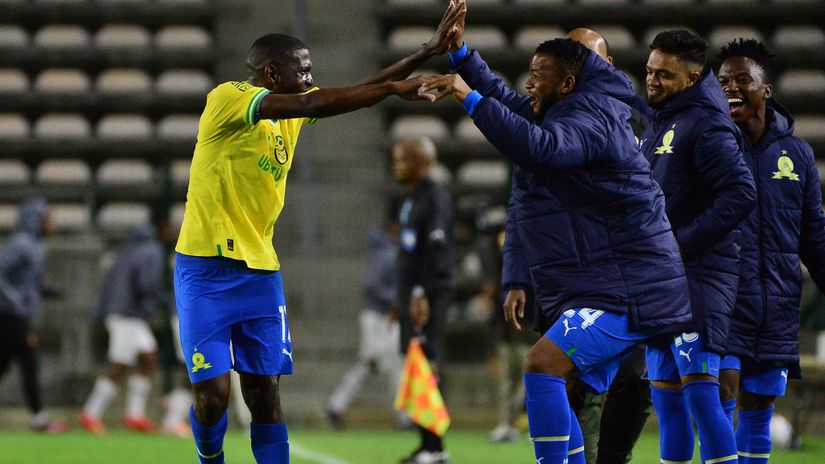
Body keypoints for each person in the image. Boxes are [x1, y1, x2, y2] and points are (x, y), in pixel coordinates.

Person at [172, 1, 465, 462]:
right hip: (205, 270)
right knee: (212, 396)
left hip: (259, 273)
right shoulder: (226, 99)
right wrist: (393, 89)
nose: (311, 77)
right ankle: (210, 455)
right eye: (302, 70)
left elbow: (353, 90)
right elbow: (318, 100)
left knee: (265, 394)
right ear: (271, 73)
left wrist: (427, 51)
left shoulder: (288, 113)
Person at [422, 26, 693, 463]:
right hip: (601, 283)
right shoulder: (566, 108)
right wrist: (462, 56)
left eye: (538, 74)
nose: (528, 83)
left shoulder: (595, 114)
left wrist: (468, 99)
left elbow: (541, 148)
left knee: (546, 367)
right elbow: (510, 114)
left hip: (632, 288)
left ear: (573, 78)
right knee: (566, 386)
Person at [639, 29, 756, 464]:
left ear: (691, 79)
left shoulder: (706, 123)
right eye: (650, 71)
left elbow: (741, 192)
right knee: (668, 405)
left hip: (700, 279)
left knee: (702, 398)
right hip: (664, 281)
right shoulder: (662, 121)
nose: (652, 81)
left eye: (664, 75)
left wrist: (679, 245)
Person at [717, 38, 825, 463]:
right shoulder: (711, 147)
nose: (731, 88)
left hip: (777, 305)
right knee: (721, 392)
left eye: (742, 80)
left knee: (759, 412)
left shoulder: (797, 155)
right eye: (723, 81)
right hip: (723, 301)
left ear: (766, 90)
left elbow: (814, 235)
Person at [563, 27, 653, 464]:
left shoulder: (642, 118)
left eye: (588, 57)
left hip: (637, 270)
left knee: (636, 381)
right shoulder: (551, 114)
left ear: (609, 65)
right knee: (579, 383)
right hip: (578, 270)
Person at [79, 214, 174, 434]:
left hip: (122, 314)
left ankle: (134, 415)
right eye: (169, 228)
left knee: (148, 358)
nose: (172, 232)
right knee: (119, 364)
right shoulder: (152, 250)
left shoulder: (124, 251)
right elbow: (147, 284)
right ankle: (90, 413)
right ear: (159, 230)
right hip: (128, 316)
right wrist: (161, 301)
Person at [392, 137, 455, 464]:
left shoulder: (435, 198)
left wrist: (421, 294)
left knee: (428, 365)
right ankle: (426, 443)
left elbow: (436, 252)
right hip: (412, 296)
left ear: (419, 164)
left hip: (428, 295)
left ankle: (436, 447)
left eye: (401, 160)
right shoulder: (412, 198)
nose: (395, 166)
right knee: (417, 367)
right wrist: (399, 300)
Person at [325, 213, 405, 430]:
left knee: (389, 363)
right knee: (372, 362)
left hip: (385, 317)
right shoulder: (385, 251)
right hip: (377, 317)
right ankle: (336, 406)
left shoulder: (389, 249)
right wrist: (396, 300)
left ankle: (337, 406)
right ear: (392, 226)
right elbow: (371, 285)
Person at [0, 198, 66, 433]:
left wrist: (50, 291)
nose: (51, 223)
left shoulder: (35, 245)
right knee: (28, 362)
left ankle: (38, 417)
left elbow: (28, 282)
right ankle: (38, 419)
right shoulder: (21, 244)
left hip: (15, 313)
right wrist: (18, 304)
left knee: (6, 364)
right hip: (8, 315)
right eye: (47, 218)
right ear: (34, 219)